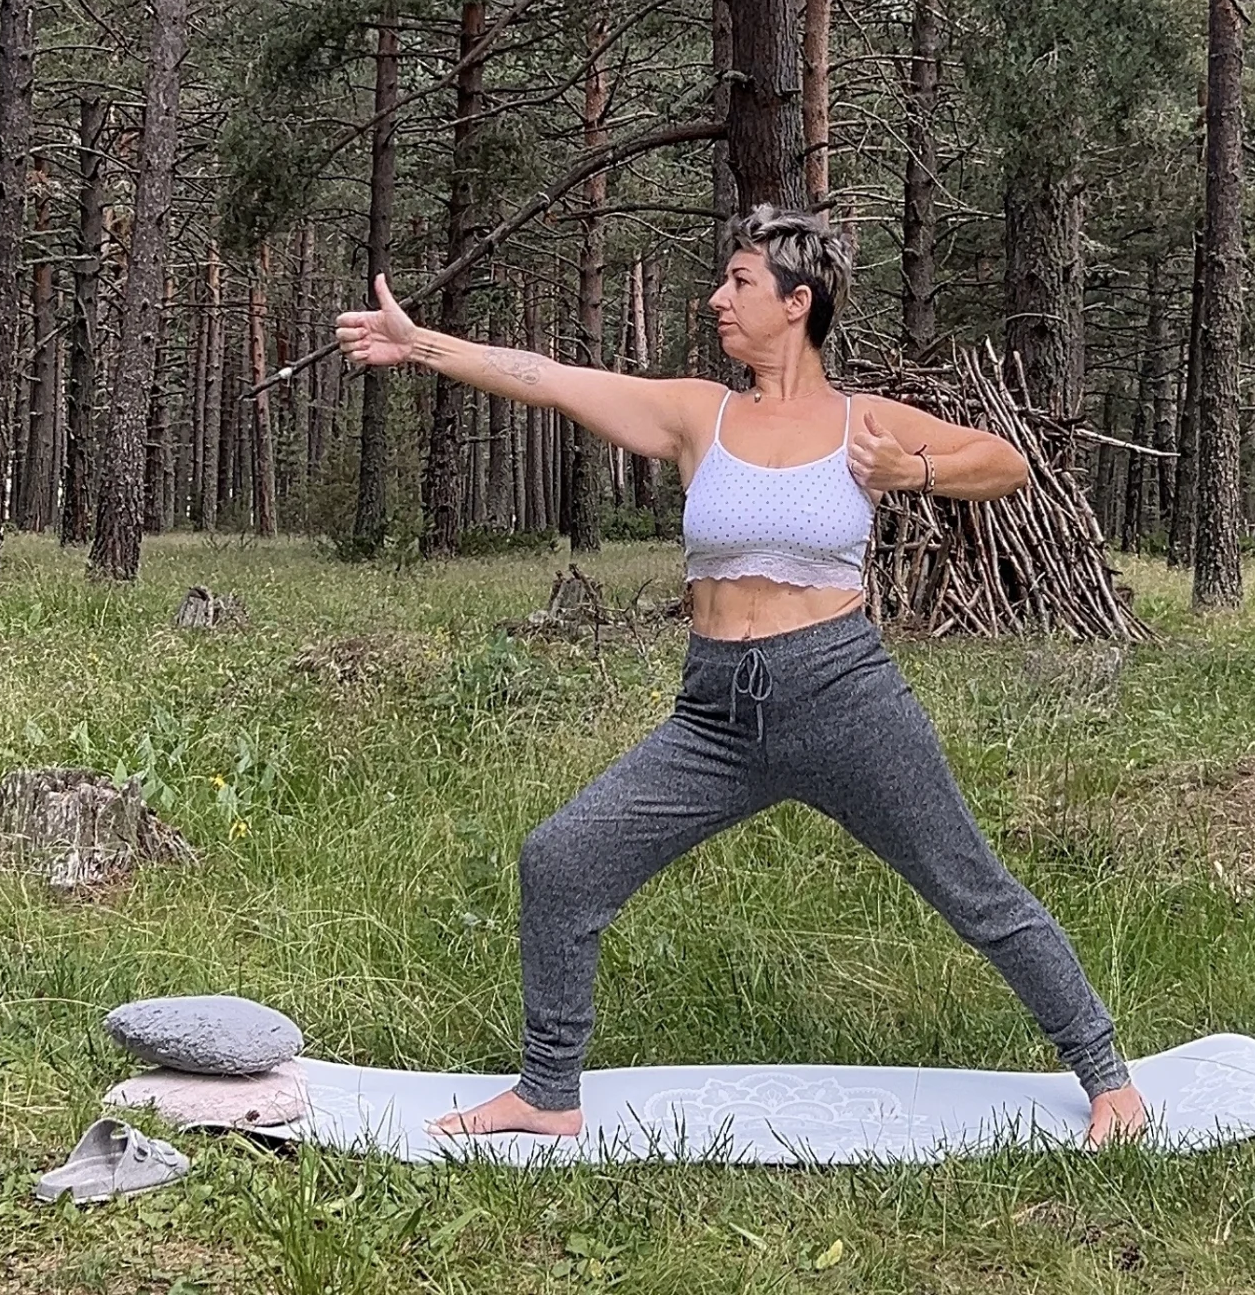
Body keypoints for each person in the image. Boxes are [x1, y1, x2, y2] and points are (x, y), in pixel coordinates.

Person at [336, 204, 1147, 1146]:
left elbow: (1004, 462)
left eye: (739, 284)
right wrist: (420, 342)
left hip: (843, 697)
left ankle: (1107, 1078)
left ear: (797, 304)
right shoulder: (696, 414)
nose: (717, 299)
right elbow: (551, 380)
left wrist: (909, 469)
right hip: (714, 712)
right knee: (559, 860)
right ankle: (548, 1093)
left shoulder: (859, 421)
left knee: (972, 889)